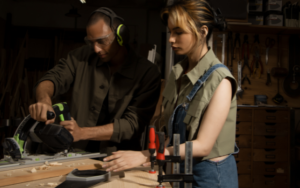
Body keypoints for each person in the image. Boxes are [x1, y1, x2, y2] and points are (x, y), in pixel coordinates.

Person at [102, 1, 239, 187]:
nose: (171, 39)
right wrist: (152, 159)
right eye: (170, 32)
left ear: (203, 32)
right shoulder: (177, 73)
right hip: (181, 168)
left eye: (179, 32)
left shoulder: (220, 80)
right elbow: (171, 131)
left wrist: (147, 154)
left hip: (211, 177)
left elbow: (203, 145)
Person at [28, 7, 161, 155]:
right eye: (91, 42)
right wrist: (44, 100)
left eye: (102, 41)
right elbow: (52, 78)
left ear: (121, 36)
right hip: (75, 152)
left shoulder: (147, 73)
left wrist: (82, 133)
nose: (96, 49)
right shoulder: (81, 56)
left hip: (118, 157)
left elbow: (132, 125)